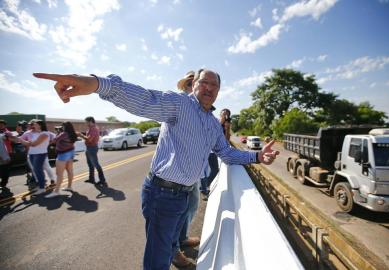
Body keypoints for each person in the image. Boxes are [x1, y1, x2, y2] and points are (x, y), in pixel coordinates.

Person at [33, 69, 279, 270]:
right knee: (157, 261)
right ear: (194, 85)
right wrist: (98, 84)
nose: (209, 88)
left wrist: (257, 155)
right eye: (204, 82)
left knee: (171, 240)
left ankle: (176, 253)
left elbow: (226, 152)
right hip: (163, 194)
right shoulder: (181, 104)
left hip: (183, 193)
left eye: (214, 86)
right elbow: (145, 100)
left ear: (218, 92)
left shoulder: (213, 124)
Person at [171, 71, 200, 268]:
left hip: (192, 173)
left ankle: (182, 238)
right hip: (176, 175)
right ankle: (174, 252)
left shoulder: (200, 110)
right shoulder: (179, 104)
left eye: (196, 83)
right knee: (175, 214)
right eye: (190, 83)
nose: (193, 87)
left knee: (191, 207)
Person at [17, 119, 50, 195]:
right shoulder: (35, 133)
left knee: (38, 171)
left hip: (39, 154)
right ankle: (41, 186)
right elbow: (30, 143)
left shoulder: (44, 133)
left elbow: (33, 144)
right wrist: (24, 141)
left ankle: (42, 188)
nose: (33, 125)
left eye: (34, 124)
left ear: (40, 125)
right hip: (32, 154)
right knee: (36, 171)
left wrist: (21, 140)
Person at [46, 122, 77, 198]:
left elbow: (54, 140)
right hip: (71, 152)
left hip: (63, 154)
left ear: (64, 127)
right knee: (70, 171)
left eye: (62, 127)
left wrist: (58, 133)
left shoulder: (63, 134)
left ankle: (56, 191)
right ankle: (69, 186)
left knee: (59, 173)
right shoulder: (73, 133)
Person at [77, 116, 107, 186]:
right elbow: (88, 137)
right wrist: (82, 135)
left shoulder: (93, 129)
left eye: (86, 122)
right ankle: (91, 179)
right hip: (89, 148)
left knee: (96, 164)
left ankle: (102, 180)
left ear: (90, 121)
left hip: (92, 148)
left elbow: (89, 139)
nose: (85, 123)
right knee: (90, 164)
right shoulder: (90, 129)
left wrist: (80, 135)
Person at [0, 120, 12, 189]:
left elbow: (10, 137)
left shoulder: (7, 132)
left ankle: (4, 183)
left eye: (2, 124)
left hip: (7, 153)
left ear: (5, 125)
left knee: (5, 169)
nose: (0, 126)